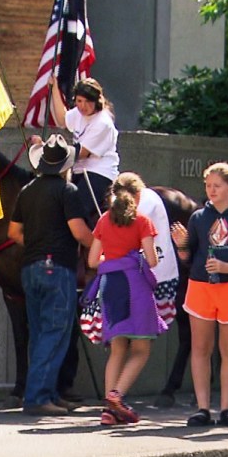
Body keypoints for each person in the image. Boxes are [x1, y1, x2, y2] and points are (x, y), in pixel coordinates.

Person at [171, 162, 228, 427]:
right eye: (208, 186)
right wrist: (182, 247)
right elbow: (190, 258)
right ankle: (202, 408)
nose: (211, 190)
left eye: (217, 186)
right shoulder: (199, 217)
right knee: (200, 348)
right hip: (201, 287)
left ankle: (226, 409)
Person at [8, 134, 93, 417]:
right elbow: (79, 232)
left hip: (31, 267)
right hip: (57, 267)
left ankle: (49, 394)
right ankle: (38, 397)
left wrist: (36, 242)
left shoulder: (28, 190)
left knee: (41, 334)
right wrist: (101, 244)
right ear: (65, 165)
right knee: (55, 333)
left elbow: (13, 233)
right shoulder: (67, 191)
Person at [84, 172, 167, 425]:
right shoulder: (142, 221)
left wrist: (113, 262)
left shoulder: (103, 221)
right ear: (138, 195)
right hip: (134, 286)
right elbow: (152, 261)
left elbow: (91, 262)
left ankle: (109, 411)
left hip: (110, 286)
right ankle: (116, 395)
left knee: (117, 348)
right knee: (141, 348)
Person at [45, 76, 120, 219]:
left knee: (76, 212)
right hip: (79, 171)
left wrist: (48, 150)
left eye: (88, 101)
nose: (83, 106)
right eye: (79, 101)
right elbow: (62, 119)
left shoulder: (103, 122)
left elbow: (81, 153)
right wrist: (54, 88)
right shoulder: (79, 113)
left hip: (99, 173)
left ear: (97, 101)